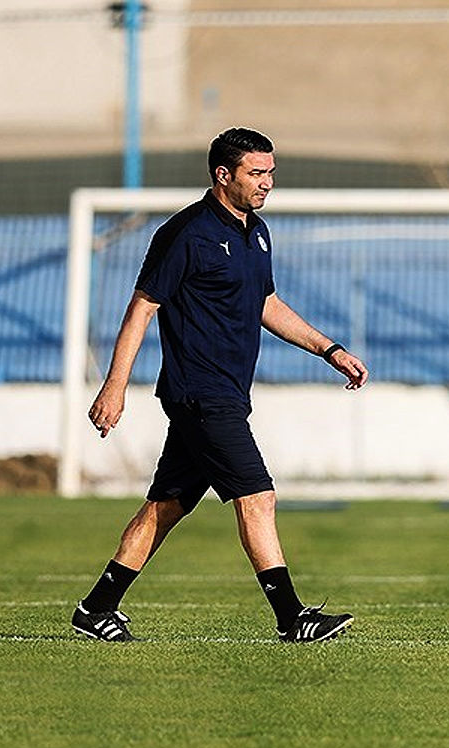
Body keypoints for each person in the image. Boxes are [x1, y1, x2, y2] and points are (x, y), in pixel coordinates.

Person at [72, 127, 368, 643]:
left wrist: (329, 349)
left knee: (166, 506)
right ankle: (291, 617)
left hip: (227, 392)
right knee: (258, 496)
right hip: (200, 392)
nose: (267, 183)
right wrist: (113, 386)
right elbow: (143, 306)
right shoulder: (186, 234)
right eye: (257, 173)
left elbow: (265, 304)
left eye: (271, 172)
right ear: (223, 175)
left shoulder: (257, 231)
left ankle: (96, 607)